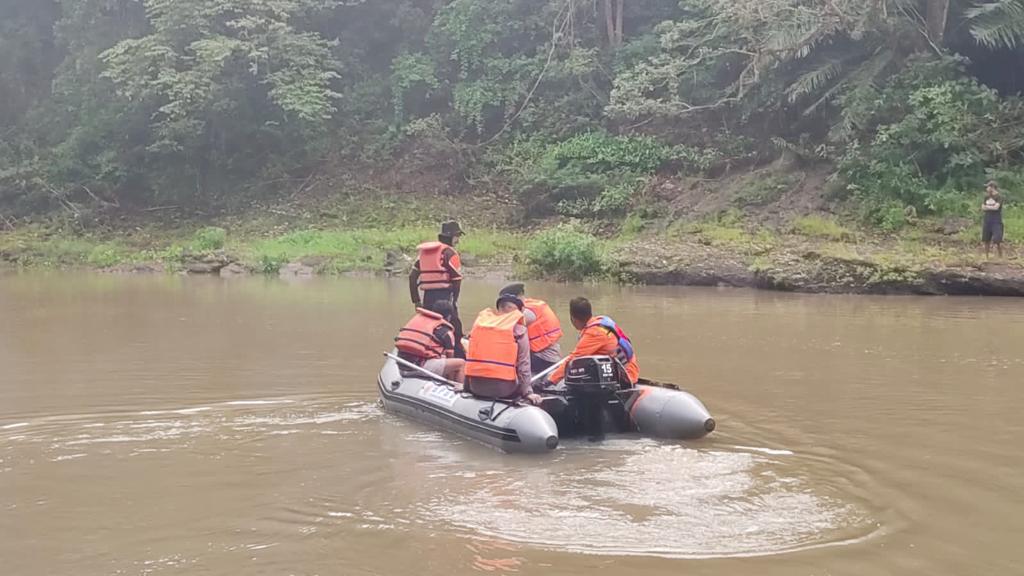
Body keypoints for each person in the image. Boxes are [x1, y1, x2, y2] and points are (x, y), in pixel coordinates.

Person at [465, 294, 542, 405]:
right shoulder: (520, 330)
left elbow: (471, 359)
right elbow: (524, 363)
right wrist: (528, 392)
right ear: (518, 312)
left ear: (499, 310)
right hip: (504, 390)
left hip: (475, 387)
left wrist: (466, 387)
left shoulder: (479, 326)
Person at [548, 297, 640, 386]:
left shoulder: (594, 333)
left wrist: (551, 380)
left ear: (573, 319)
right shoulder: (601, 320)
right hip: (630, 369)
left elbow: (572, 359)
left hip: (627, 377)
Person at [409, 221, 466, 357]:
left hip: (427, 299)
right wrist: (454, 302)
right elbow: (457, 280)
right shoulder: (449, 253)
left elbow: (412, 277)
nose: (458, 240)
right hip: (445, 297)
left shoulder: (424, 253)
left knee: (429, 328)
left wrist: (416, 301)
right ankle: (458, 359)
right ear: (451, 236)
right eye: (457, 236)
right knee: (454, 329)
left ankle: (427, 356)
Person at [394, 300, 466, 385]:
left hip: (401, 367)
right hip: (418, 367)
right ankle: (460, 391)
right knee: (461, 363)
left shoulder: (419, 321)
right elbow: (450, 357)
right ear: (449, 316)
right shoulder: (446, 331)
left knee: (441, 357)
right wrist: (450, 380)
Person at [499, 283, 563, 373]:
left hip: (543, 358)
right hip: (548, 355)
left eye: (505, 303)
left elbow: (504, 331)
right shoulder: (532, 305)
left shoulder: (527, 312)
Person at [982, 181, 1005, 259]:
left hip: (996, 221)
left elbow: (996, 208)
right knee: (986, 240)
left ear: (992, 187)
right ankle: (986, 257)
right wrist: (991, 207)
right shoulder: (986, 197)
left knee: (997, 240)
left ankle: (1000, 256)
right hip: (987, 220)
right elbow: (982, 207)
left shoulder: (999, 197)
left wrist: (987, 207)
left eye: (988, 187)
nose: (986, 189)